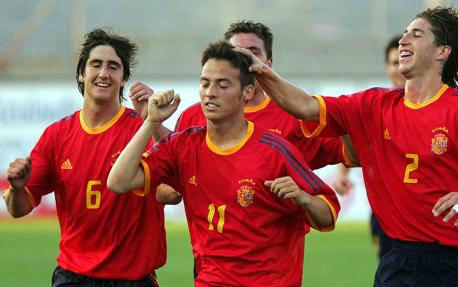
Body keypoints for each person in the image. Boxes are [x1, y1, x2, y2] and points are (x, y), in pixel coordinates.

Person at [241, 6, 458, 286]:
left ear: (442, 51)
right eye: (404, 33)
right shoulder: (373, 105)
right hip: (398, 261)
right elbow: (306, 106)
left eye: (416, 35)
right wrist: (262, 72)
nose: (404, 40)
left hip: (457, 264)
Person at [107, 41, 340, 287]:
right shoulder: (183, 146)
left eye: (222, 84)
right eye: (205, 83)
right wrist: (151, 122)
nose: (210, 92)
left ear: (247, 92)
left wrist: (303, 198)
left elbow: (328, 215)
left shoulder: (275, 151)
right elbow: (118, 181)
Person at [4, 28, 166, 286]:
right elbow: (19, 208)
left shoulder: (142, 130)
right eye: (96, 65)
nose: (104, 73)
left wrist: (154, 123)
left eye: (113, 67)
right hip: (73, 277)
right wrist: (16, 188)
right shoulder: (57, 135)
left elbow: (173, 190)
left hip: (133, 279)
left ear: (123, 78)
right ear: (82, 73)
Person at [335, 35, 405, 260]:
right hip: (386, 212)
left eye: (404, 59)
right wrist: (342, 174)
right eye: (394, 62)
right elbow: (351, 134)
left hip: (426, 210)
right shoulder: (376, 106)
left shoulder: (436, 106)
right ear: (387, 67)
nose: (400, 68)